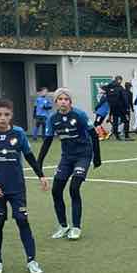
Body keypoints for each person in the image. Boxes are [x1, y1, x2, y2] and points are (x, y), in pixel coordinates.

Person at [0, 98, 48, 273]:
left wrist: (41, 175)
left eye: (6, 114)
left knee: (22, 220)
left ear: (11, 115)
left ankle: (32, 260)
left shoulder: (18, 133)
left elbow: (29, 155)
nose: (2, 118)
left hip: (16, 187)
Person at [36, 89, 98, 241]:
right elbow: (47, 141)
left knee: (74, 188)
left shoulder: (79, 115)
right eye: (60, 99)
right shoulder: (52, 118)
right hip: (67, 158)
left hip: (83, 155)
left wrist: (97, 158)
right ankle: (63, 226)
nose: (63, 101)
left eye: (66, 99)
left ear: (70, 102)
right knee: (56, 191)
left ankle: (76, 227)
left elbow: (94, 135)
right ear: (56, 102)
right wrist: (39, 163)